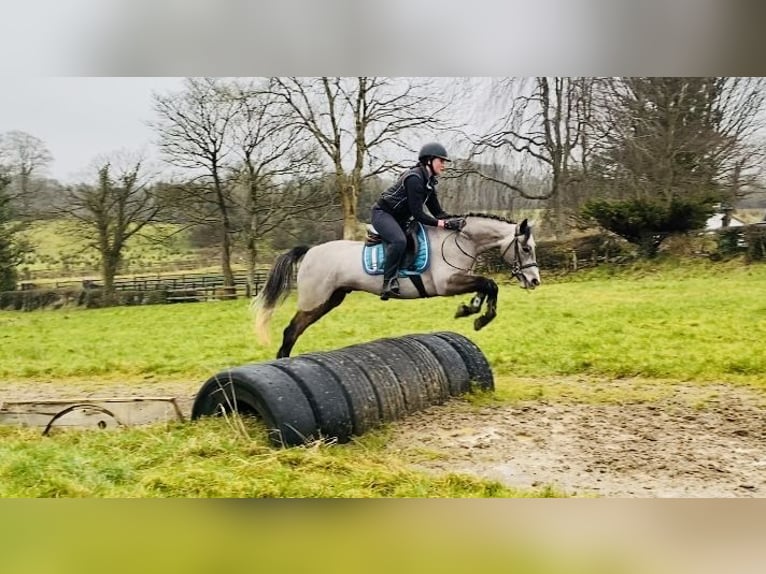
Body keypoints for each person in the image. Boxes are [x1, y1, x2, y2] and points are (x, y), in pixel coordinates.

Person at [371, 142, 466, 300]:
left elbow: (438, 213)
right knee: (399, 241)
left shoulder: (429, 183)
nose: (444, 165)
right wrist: (443, 224)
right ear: (429, 160)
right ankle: (387, 282)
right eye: (441, 161)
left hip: (399, 219)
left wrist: (457, 221)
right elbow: (419, 215)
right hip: (383, 214)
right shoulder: (414, 178)